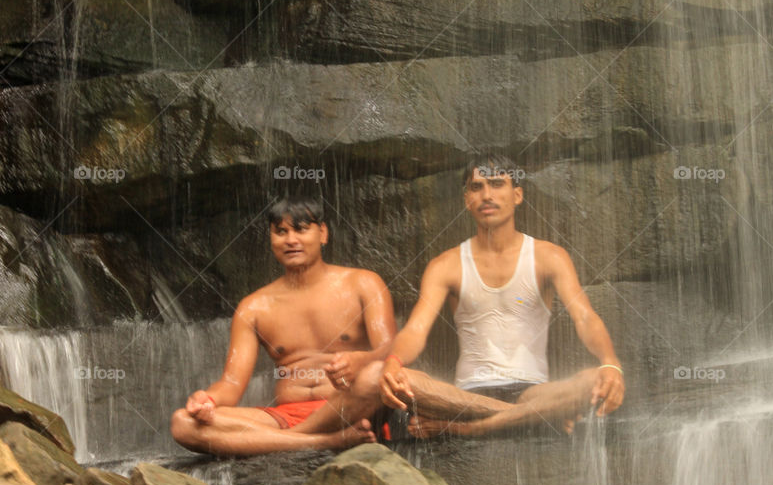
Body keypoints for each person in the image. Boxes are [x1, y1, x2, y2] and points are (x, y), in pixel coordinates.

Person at [376, 156, 625, 438]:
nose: (487, 195)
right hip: (465, 397)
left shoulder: (548, 257)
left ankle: (467, 429)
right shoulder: (446, 265)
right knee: (404, 380)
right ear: (466, 199)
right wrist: (393, 362)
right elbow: (416, 329)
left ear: (517, 194)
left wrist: (610, 362)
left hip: (534, 392)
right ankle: (533, 419)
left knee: (593, 380)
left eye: (497, 184)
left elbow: (584, 316)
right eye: (477, 187)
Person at [171, 195, 395, 455]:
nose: (291, 240)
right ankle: (324, 442)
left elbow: (393, 352)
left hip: (347, 408)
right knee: (183, 423)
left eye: (301, 229)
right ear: (271, 239)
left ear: (323, 233)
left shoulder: (363, 284)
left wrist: (360, 360)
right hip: (283, 416)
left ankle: (283, 441)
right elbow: (230, 385)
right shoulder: (253, 307)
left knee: (376, 375)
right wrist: (208, 399)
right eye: (281, 232)